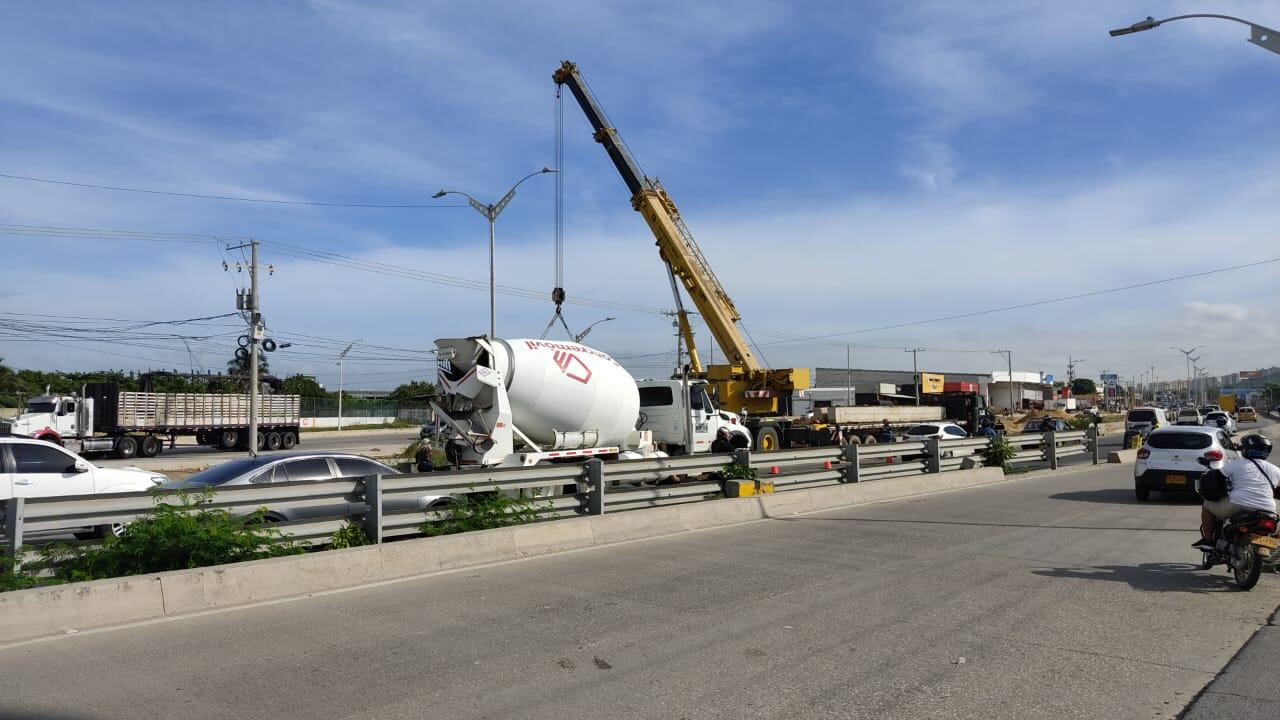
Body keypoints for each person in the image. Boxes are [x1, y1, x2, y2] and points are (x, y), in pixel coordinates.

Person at [1193, 434, 1280, 550]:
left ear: (1247, 449)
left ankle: (1208, 541)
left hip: (1238, 505)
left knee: (1206, 505)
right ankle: (1273, 547)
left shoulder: (1237, 464)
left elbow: (1216, 477)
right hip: (1268, 509)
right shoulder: (1276, 470)